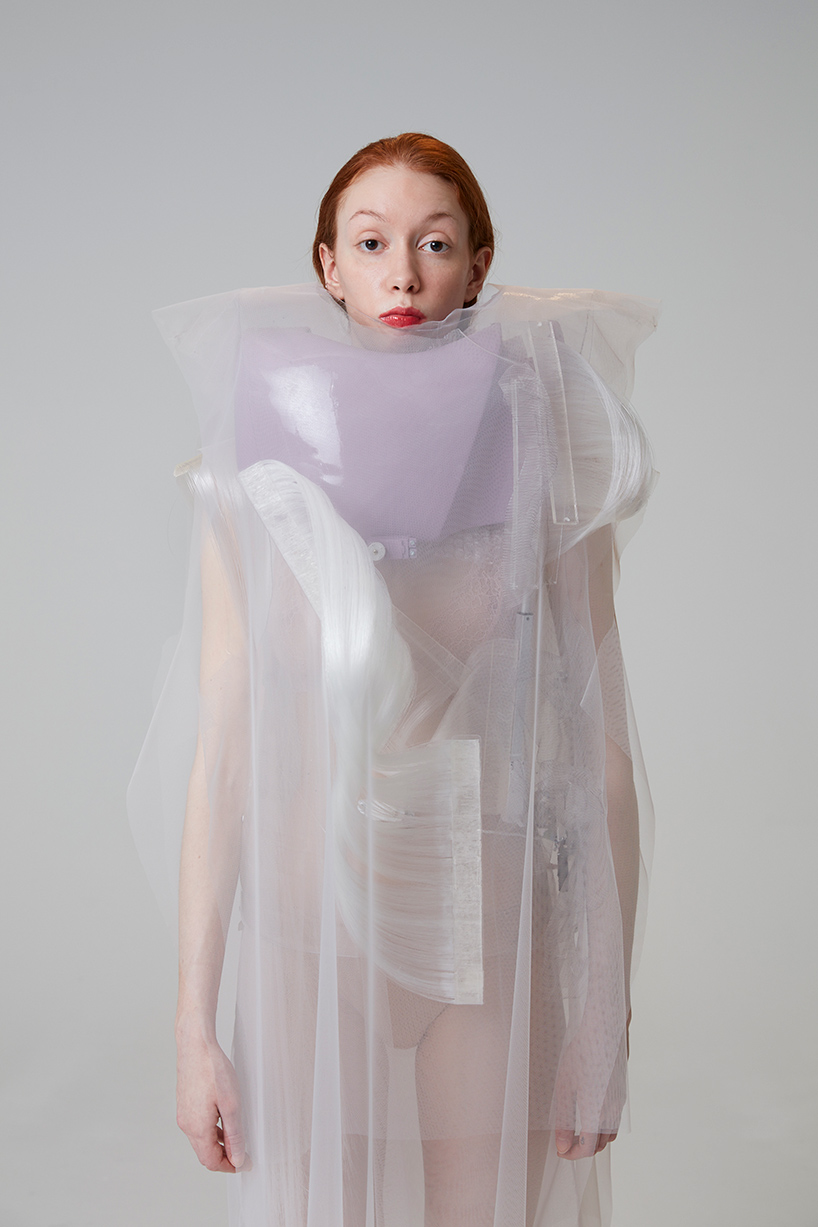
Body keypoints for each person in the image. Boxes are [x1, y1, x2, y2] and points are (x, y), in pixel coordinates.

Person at [129, 133, 659, 1227]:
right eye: (371, 244)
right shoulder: (247, 481)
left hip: (490, 940)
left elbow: (597, 755)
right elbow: (224, 757)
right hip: (305, 937)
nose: (403, 275)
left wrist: (604, 1015)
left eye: (435, 243)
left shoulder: (546, 468)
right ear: (328, 266)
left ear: (478, 263)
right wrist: (192, 1026)